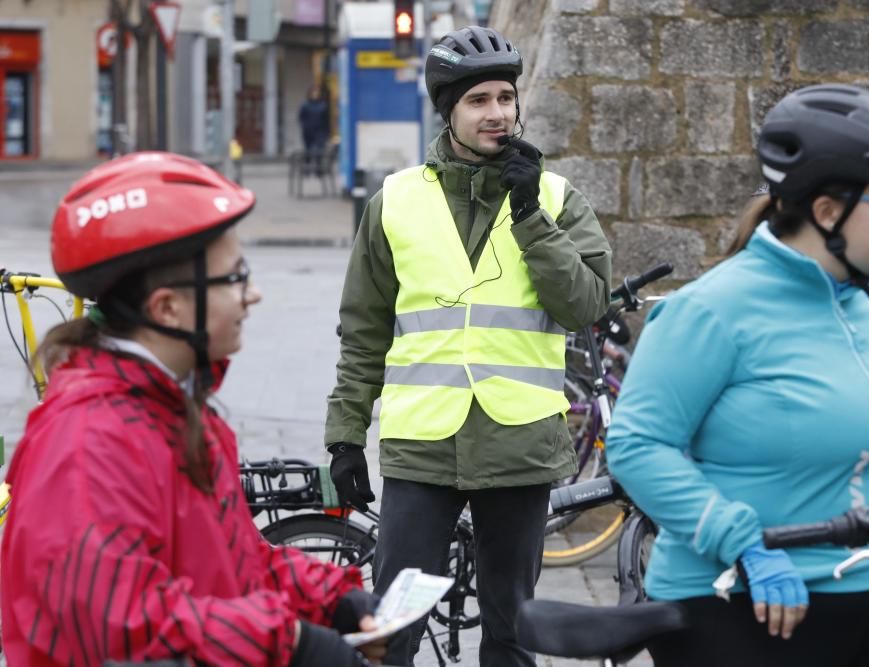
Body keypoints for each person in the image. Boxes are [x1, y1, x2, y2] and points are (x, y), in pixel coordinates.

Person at [604, 84, 869, 667]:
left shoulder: (860, 310)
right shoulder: (711, 311)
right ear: (826, 212)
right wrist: (746, 547)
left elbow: (863, 452)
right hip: (745, 601)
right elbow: (637, 447)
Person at [1, 152, 385, 666]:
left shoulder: (177, 412)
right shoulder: (91, 442)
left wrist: (332, 599)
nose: (253, 294)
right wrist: (287, 642)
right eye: (234, 278)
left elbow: (231, 562)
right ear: (167, 308)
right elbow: (119, 628)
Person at [324, 25, 612, 667]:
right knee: (392, 627)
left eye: (506, 97)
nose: (497, 114)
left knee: (512, 632)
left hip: (520, 445)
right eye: (478, 100)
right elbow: (364, 329)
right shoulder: (395, 201)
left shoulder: (556, 198)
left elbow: (586, 305)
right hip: (421, 448)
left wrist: (530, 212)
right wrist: (345, 435)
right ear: (449, 110)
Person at [298, 85, 330, 176]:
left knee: (319, 151)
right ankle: (307, 170)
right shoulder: (305, 105)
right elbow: (301, 118)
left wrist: (326, 131)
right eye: (313, 93)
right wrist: (305, 126)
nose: (315, 95)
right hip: (308, 131)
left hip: (320, 131)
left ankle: (318, 171)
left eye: (317, 93)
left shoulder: (323, 105)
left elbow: (326, 119)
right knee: (308, 151)